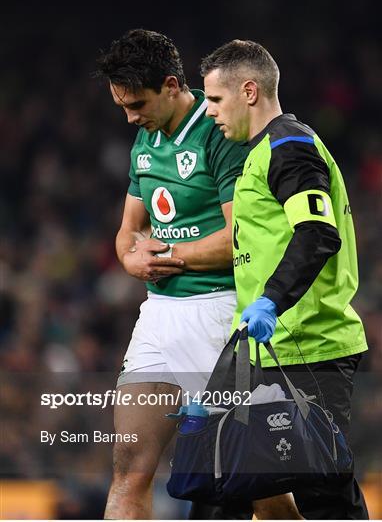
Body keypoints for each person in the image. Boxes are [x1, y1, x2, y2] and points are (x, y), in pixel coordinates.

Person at [95, 29, 302, 520]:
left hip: (218, 314)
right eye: (122, 106)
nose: (130, 118)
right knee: (129, 469)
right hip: (159, 317)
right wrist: (131, 260)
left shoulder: (220, 133)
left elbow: (238, 238)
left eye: (137, 103)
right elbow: (128, 233)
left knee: (259, 486)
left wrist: (169, 253)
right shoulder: (145, 139)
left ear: (171, 85)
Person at [201, 39, 369, 520]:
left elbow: (316, 233)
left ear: (249, 91)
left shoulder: (289, 146)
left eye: (215, 99)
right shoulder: (260, 153)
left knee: (323, 492)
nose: (210, 112)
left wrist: (271, 300)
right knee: (220, 482)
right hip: (258, 351)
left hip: (307, 347)